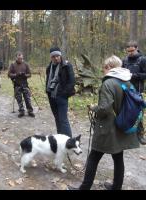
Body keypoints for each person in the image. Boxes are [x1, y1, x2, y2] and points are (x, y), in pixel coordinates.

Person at [69, 55, 140, 190]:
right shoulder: (127, 81)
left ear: (110, 67)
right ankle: (116, 187)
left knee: (93, 157)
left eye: (104, 67)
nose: (103, 70)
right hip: (122, 125)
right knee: (118, 158)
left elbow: (105, 109)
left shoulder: (108, 83)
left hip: (108, 128)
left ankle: (84, 188)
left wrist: (94, 108)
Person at [46, 47, 75, 137]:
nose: (56, 58)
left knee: (63, 120)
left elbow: (72, 82)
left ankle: (70, 141)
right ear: (51, 57)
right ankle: (60, 139)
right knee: (57, 119)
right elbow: (48, 81)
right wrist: (48, 92)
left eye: (57, 56)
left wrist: (64, 94)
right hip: (51, 96)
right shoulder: (49, 67)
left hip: (62, 97)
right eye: (53, 56)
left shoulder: (67, 66)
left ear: (60, 55)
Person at [122, 40, 146, 144]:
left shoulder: (142, 60)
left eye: (132, 50)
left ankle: (140, 134)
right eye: (128, 51)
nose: (130, 53)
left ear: (136, 48)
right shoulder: (125, 60)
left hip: (137, 90)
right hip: (126, 89)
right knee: (125, 112)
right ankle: (126, 134)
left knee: (139, 113)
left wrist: (133, 75)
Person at [8, 51, 35, 118]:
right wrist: (16, 75)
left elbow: (30, 74)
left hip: (25, 84)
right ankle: (21, 111)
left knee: (27, 98)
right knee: (19, 99)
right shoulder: (13, 65)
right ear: (16, 57)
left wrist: (25, 75)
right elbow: (9, 74)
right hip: (17, 84)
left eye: (21, 58)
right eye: (19, 58)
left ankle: (30, 111)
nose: (20, 59)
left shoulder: (26, 64)